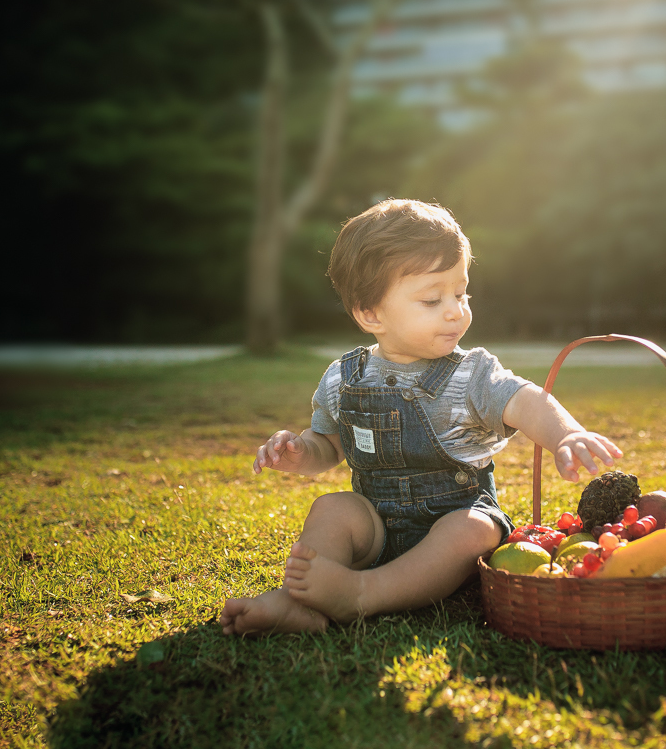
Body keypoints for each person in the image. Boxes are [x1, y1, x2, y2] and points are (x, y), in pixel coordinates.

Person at [220, 199, 621, 635]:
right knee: (333, 508)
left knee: (470, 530)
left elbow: (526, 401)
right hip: (377, 525)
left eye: (461, 292)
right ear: (370, 313)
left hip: (456, 518)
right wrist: (301, 453)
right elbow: (329, 443)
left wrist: (567, 435)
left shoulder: (471, 373)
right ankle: (299, 602)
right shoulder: (344, 377)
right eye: (432, 299)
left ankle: (362, 594)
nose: (455, 309)